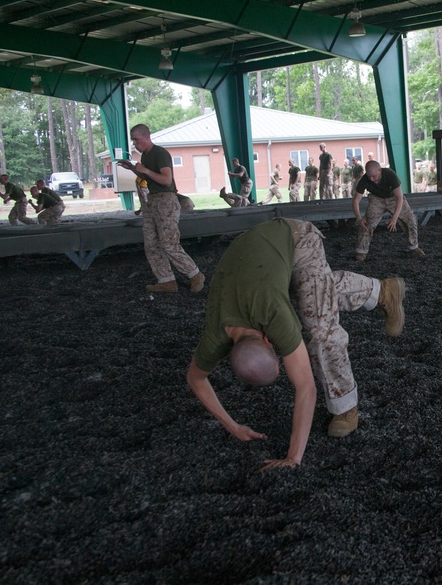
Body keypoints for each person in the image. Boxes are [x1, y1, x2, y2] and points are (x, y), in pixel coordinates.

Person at [186, 218, 408, 470]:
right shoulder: (214, 337)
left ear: (269, 339)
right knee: (315, 292)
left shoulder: (275, 316)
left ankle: (345, 406)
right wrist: (233, 427)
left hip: (296, 236)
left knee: (319, 325)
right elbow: (195, 378)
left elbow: (306, 387)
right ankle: (382, 291)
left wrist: (294, 457)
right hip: (254, 245)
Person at [116, 124, 204, 293]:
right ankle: (166, 280)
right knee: (151, 243)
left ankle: (195, 274)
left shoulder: (160, 153)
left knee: (169, 243)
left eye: (136, 139)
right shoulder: (146, 156)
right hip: (152, 200)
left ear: (146, 137)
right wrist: (134, 169)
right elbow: (149, 178)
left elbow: (166, 180)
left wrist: (145, 170)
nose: (134, 143)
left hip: (165, 200)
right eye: (133, 140)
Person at [352, 160, 425, 261]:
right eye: (369, 176)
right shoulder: (364, 180)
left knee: (410, 219)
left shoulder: (390, 175)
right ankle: (361, 251)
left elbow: (399, 197)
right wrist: (359, 218)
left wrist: (394, 218)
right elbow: (356, 201)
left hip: (393, 198)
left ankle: (414, 246)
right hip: (376, 199)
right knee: (366, 223)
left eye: (374, 176)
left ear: (380, 171)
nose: (371, 179)